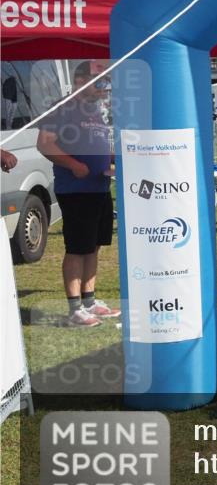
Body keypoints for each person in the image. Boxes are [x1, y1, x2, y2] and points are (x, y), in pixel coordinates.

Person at [37, 62, 121, 327]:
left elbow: (95, 143)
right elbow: (45, 143)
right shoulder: (61, 107)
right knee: (77, 248)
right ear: (81, 80)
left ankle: (89, 301)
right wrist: (74, 165)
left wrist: (111, 158)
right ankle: (75, 309)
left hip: (99, 187)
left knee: (93, 246)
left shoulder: (95, 111)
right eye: (100, 81)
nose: (105, 87)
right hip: (75, 190)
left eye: (107, 82)